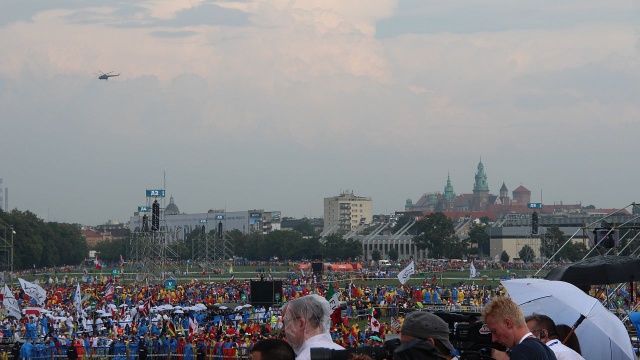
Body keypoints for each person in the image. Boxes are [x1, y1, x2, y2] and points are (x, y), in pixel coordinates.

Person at [482, 296, 557, 360]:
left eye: (494, 331)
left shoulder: (522, 351)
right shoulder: (548, 350)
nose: (494, 339)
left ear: (508, 324)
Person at [282, 294, 343, 360]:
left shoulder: (305, 357)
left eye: (285, 323)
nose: (283, 329)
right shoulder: (342, 352)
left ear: (301, 324)